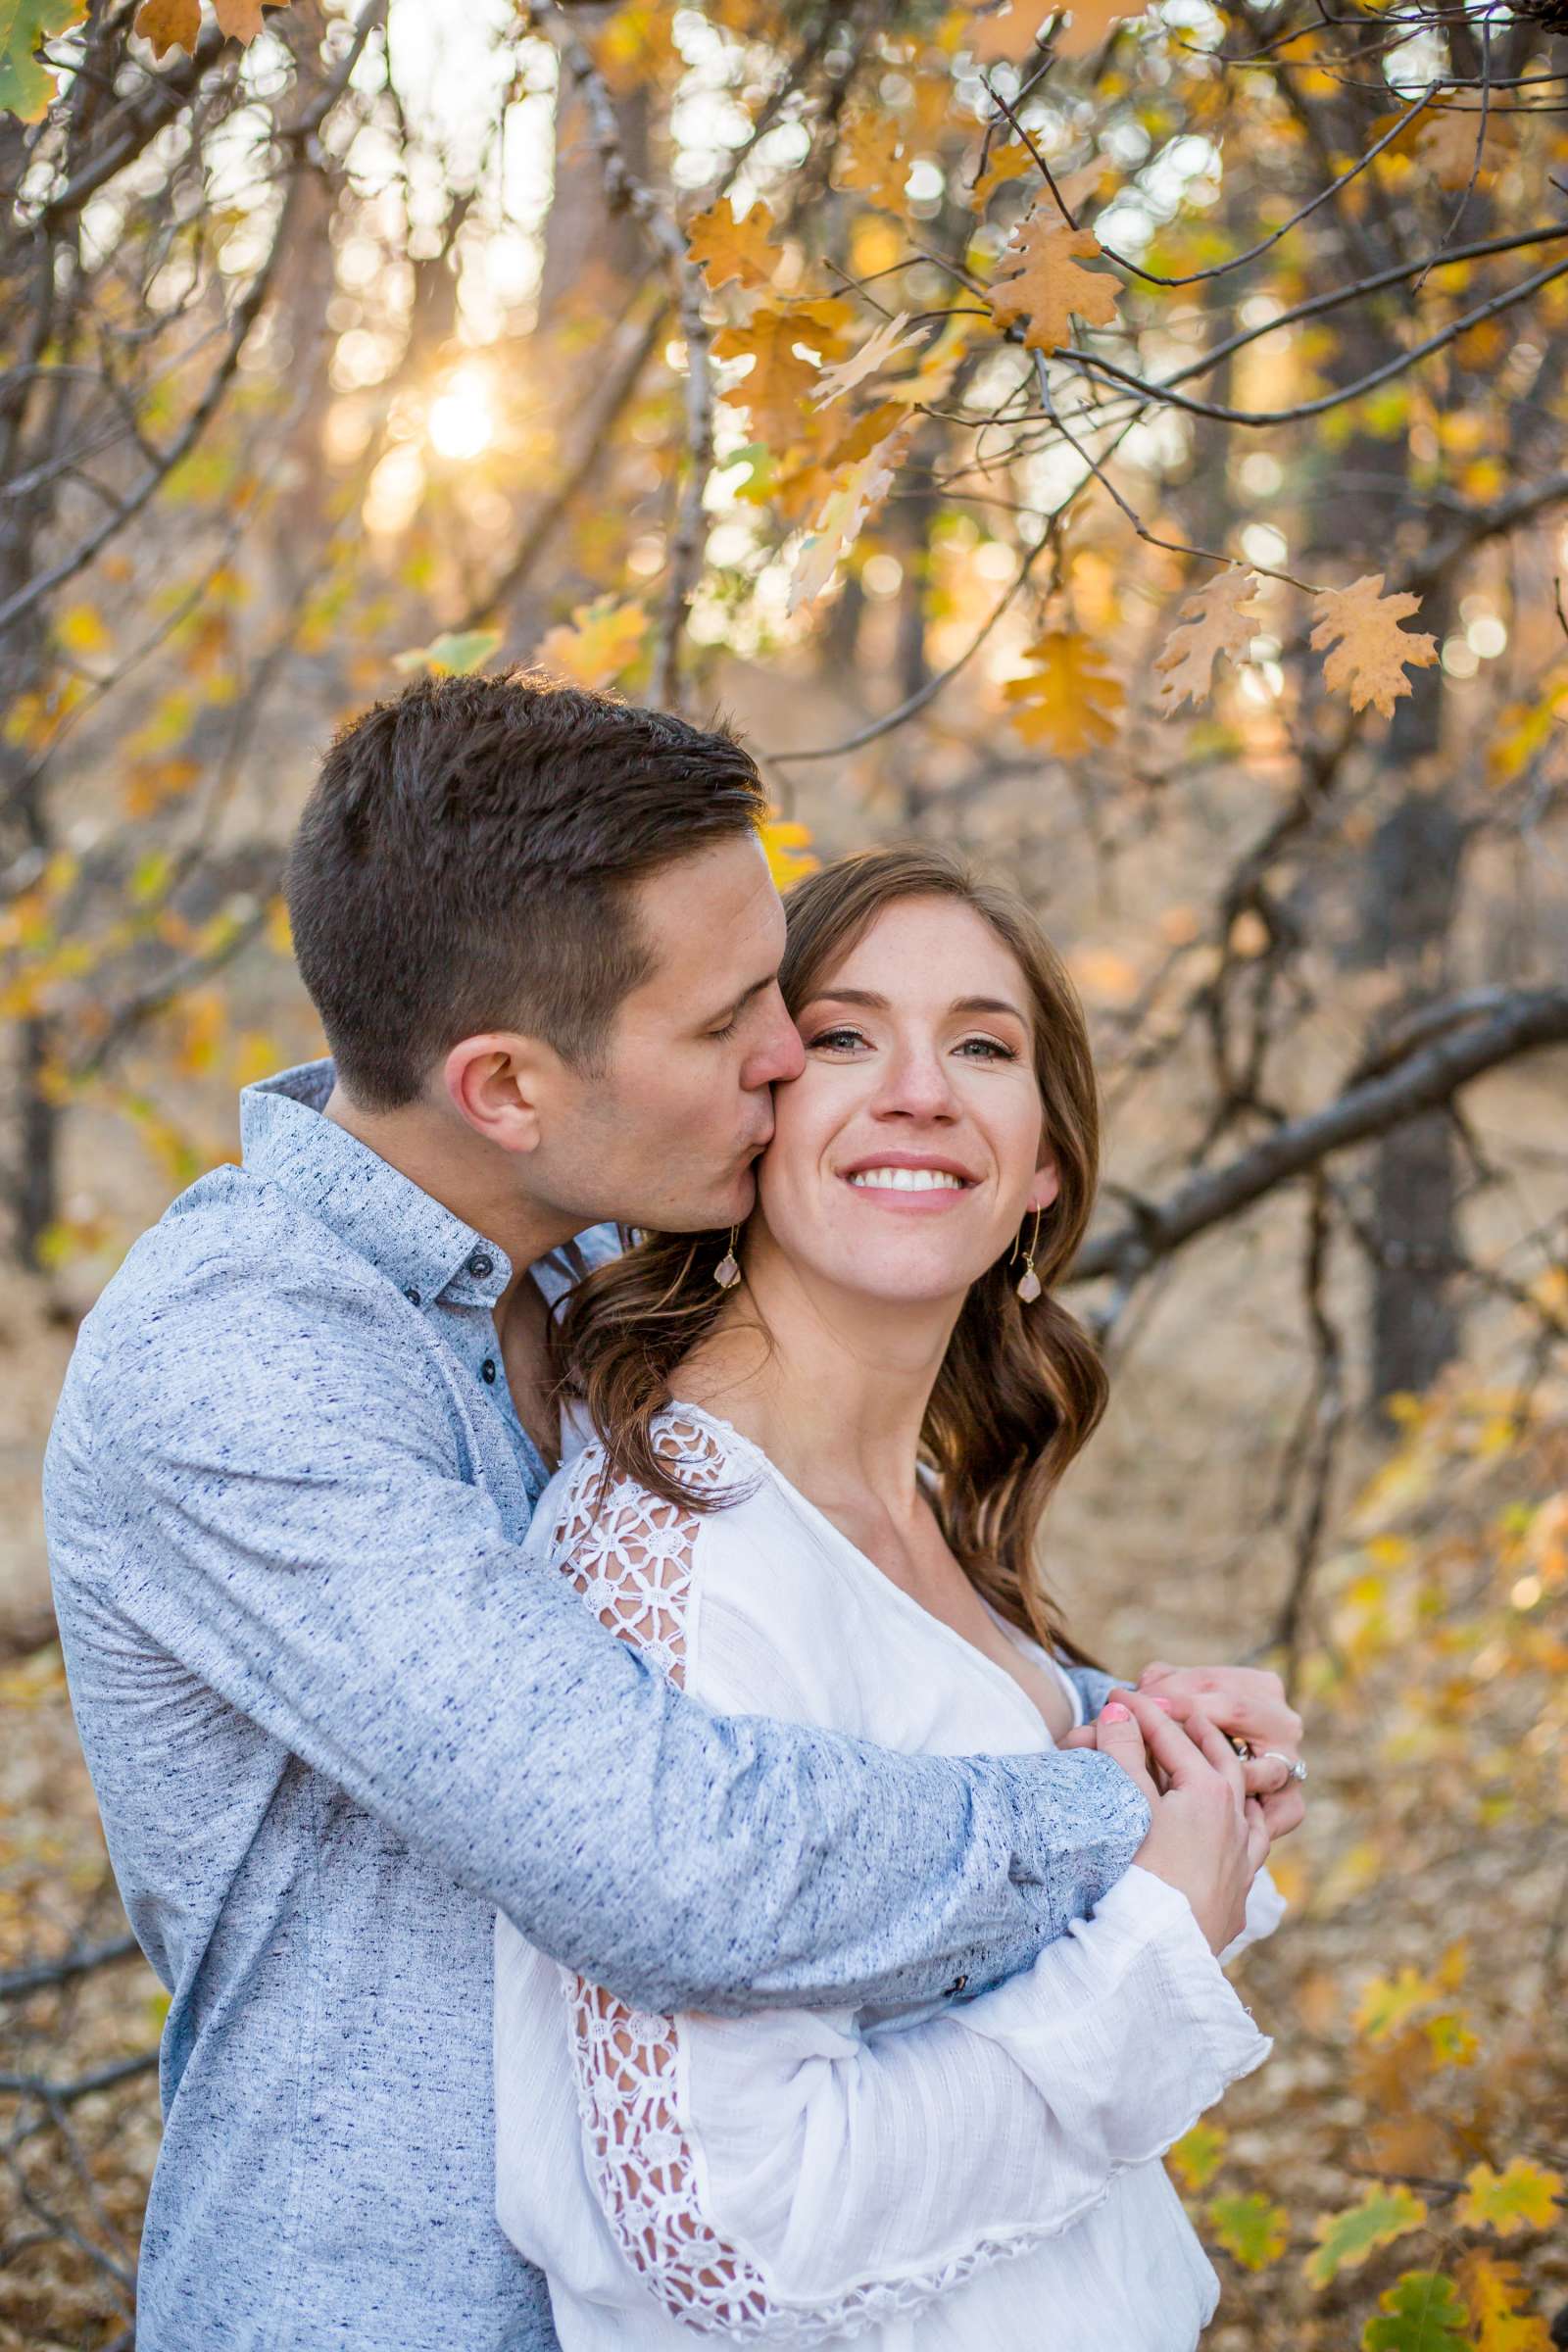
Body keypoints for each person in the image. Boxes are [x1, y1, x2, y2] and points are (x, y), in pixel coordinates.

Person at [42, 672, 1302, 2352]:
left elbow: (823, 1642)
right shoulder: (242, 1366)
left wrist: (1117, 1722)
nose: (789, 1065)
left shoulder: (577, 1264)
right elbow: (667, 1850)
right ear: (504, 1087)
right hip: (389, 2307)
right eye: (736, 1028)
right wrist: (1105, 1821)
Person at [494, 845, 1299, 2349]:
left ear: (1046, 1159)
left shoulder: (909, 1502)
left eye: (983, 1046)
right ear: (753, 1111)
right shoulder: (679, 1556)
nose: (921, 1090)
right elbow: (732, 2231)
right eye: (846, 1036)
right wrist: (1151, 1949)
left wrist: (1173, 1787)